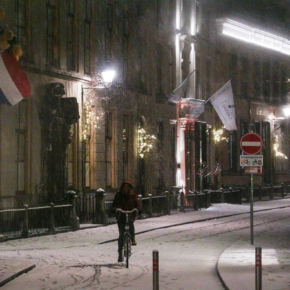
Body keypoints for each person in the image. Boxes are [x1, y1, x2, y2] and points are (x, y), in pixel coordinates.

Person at [111, 180, 141, 262]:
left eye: (128, 187)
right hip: (121, 215)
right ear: (122, 187)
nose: (126, 188)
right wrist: (116, 209)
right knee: (121, 235)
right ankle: (120, 254)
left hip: (130, 214)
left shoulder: (133, 195)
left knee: (130, 223)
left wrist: (137, 209)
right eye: (125, 186)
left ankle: (133, 238)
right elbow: (114, 204)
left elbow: (137, 204)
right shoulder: (118, 195)